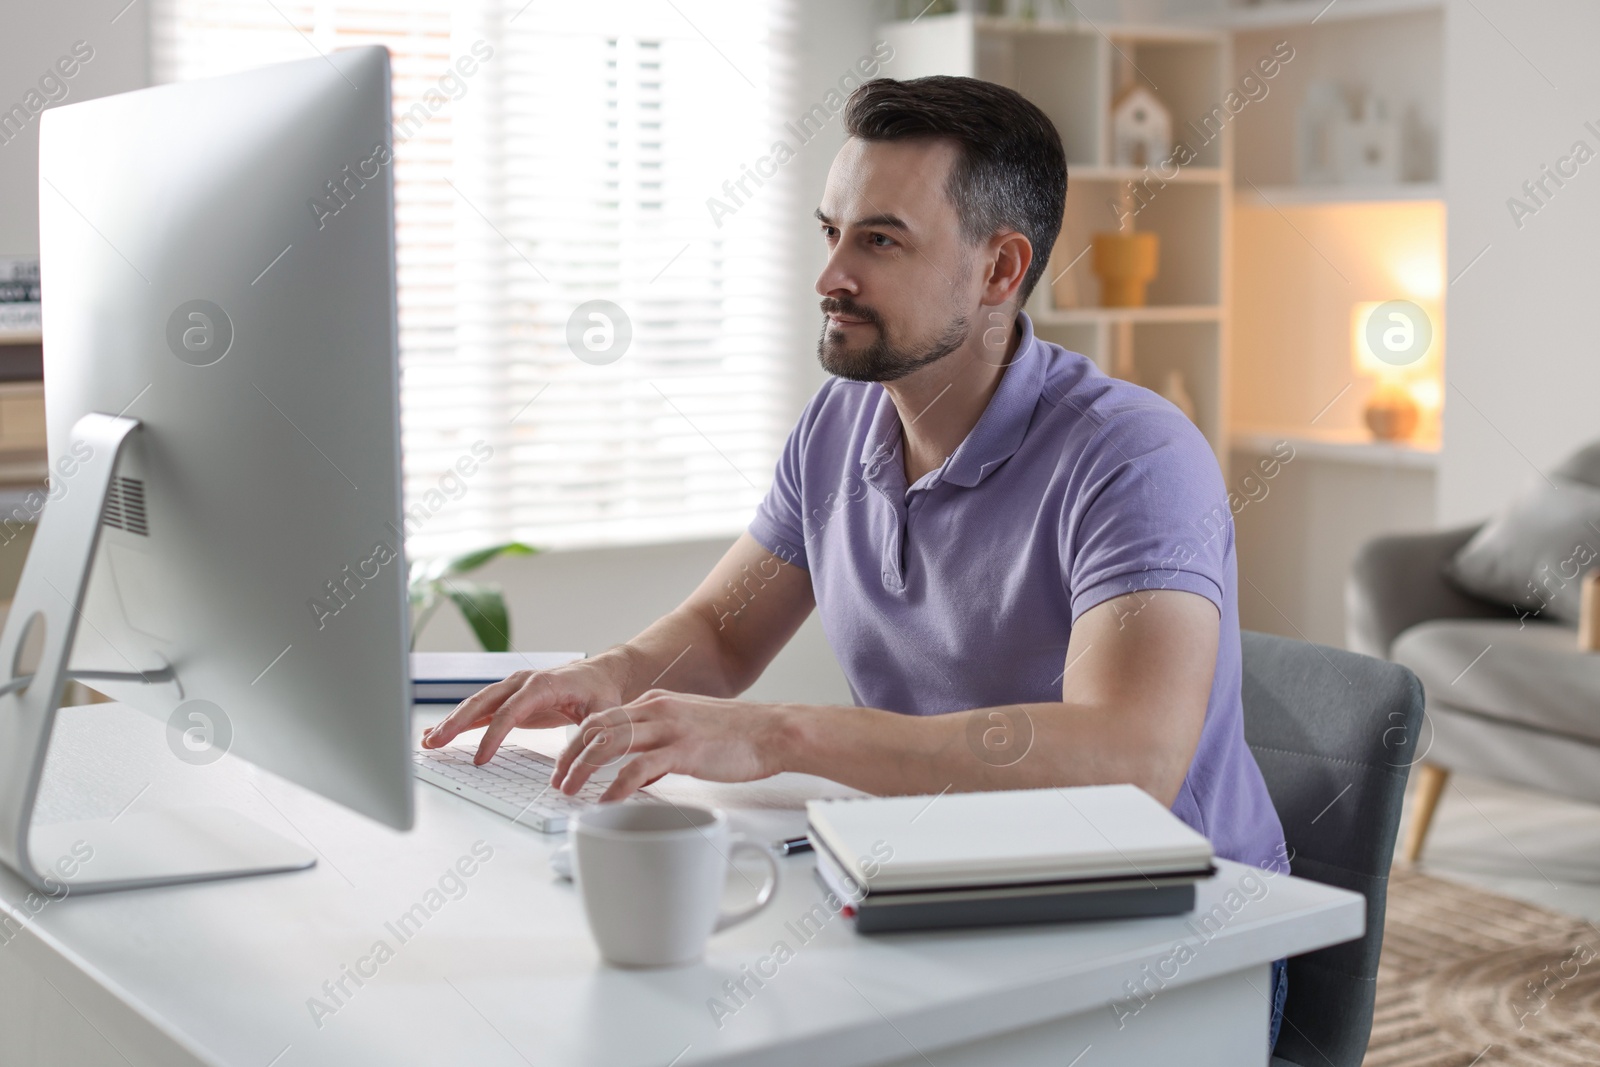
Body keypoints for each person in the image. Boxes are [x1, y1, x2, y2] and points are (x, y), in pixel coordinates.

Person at [423, 74, 1288, 1048]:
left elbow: (1127, 759)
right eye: (829, 232)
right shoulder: (841, 423)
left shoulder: (1132, 455)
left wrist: (777, 733)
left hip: (1176, 937)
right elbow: (718, 628)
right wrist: (605, 676)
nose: (831, 274)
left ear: (1000, 269)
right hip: (947, 878)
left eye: (878, 239)